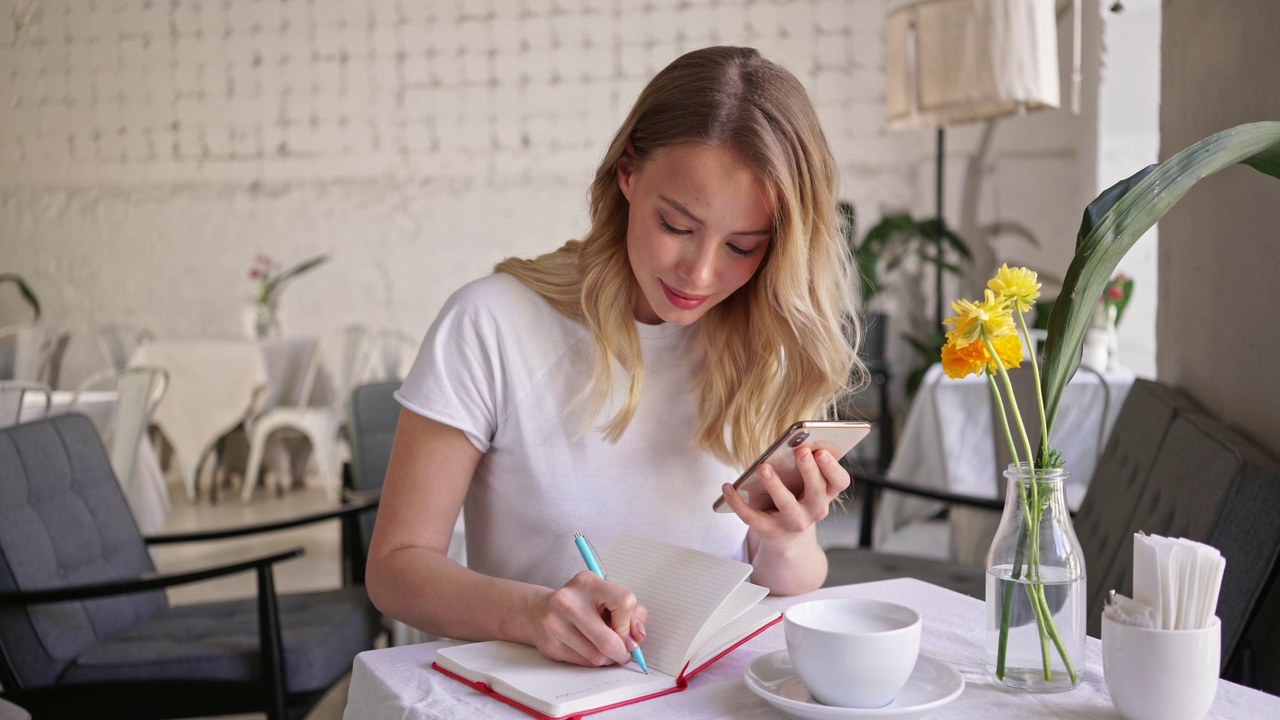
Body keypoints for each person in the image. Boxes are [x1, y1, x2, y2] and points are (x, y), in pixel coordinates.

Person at [366, 45, 864, 671]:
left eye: (742, 246)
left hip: (711, 695)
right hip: (540, 695)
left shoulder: (767, 342)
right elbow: (395, 569)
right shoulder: (492, 324)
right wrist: (531, 614)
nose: (701, 272)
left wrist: (786, 535)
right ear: (627, 173)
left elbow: (791, 582)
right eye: (678, 226)